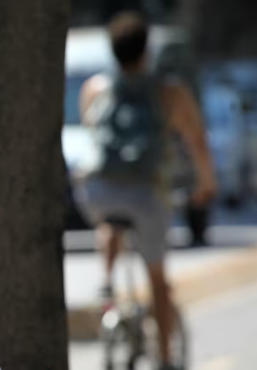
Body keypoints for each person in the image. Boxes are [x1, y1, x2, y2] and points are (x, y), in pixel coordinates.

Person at [76, 12, 216, 370]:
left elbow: (94, 137)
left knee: (109, 221)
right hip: (147, 194)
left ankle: (107, 284)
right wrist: (205, 184)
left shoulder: (94, 88)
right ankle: (167, 357)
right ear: (146, 50)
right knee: (158, 281)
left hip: (97, 192)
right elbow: (197, 142)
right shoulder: (170, 92)